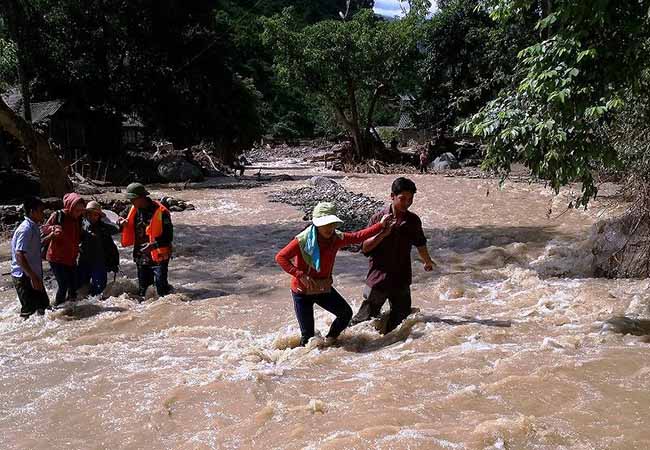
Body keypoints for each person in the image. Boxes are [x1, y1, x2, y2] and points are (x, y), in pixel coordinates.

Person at [275, 202, 393, 346]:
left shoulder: (336, 238)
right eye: (326, 224)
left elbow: (357, 236)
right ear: (317, 224)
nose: (330, 228)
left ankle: (330, 341)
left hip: (322, 288)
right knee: (307, 338)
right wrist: (300, 274)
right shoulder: (302, 241)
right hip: (302, 292)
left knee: (345, 314)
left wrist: (380, 226)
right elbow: (281, 257)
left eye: (332, 224)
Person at [351, 177, 436, 333]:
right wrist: (382, 234)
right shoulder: (378, 219)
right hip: (378, 279)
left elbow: (420, 243)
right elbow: (364, 248)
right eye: (402, 199)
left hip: (401, 279)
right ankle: (342, 342)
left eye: (410, 199)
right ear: (392, 196)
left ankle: (391, 348)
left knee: (401, 321)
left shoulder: (413, 221)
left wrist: (427, 261)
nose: (407, 203)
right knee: (362, 321)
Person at [121, 182, 173, 299]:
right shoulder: (132, 209)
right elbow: (121, 217)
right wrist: (120, 221)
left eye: (132, 199)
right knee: (143, 293)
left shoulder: (161, 211)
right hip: (141, 256)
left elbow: (168, 236)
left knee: (161, 292)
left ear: (141, 197)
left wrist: (153, 246)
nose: (131, 202)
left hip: (159, 256)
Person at [11, 197, 58, 318]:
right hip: (24, 276)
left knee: (44, 308)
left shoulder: (34, 227)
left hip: (33, 274)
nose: (43, 214)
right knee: (29, 313)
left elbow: (36, 245)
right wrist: (32, 277)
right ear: (32, 212)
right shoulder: (25, 229)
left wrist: (51, 236)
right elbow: (19, 254)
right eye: (41, 211)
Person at [43, 192, 86, 306]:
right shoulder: (58, 215)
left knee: (73, 285)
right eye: (77, 210)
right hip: (56, 258)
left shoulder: (79, 218)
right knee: (63, 285)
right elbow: (44, 229)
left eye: (82, 210)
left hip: (71, 258)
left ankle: (72, 308)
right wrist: (54, 228)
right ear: (70, 207)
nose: (79, 213)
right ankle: (58, 309)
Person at [78, 201, 122, 297]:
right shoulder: (81, 225)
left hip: (99, 263)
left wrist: (120, 223)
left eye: (95, 215)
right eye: (89, 214)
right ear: (86, 214)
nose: (92, 217)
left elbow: (116, 230)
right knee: (81, 288)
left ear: (99, 216)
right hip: (83, 262)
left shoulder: (105, 228)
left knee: (98, 291)